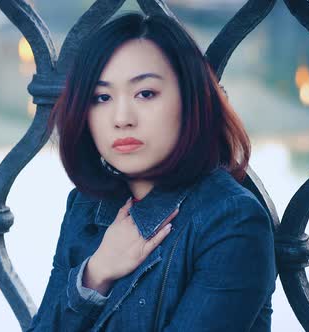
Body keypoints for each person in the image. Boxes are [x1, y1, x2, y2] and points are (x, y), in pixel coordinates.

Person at [26, 12, 276, 332]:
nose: (122, 118)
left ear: (190, 99)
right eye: (101, 97)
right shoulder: (86, 205)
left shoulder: (231, 220)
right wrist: (96, 273)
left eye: (145, 94)